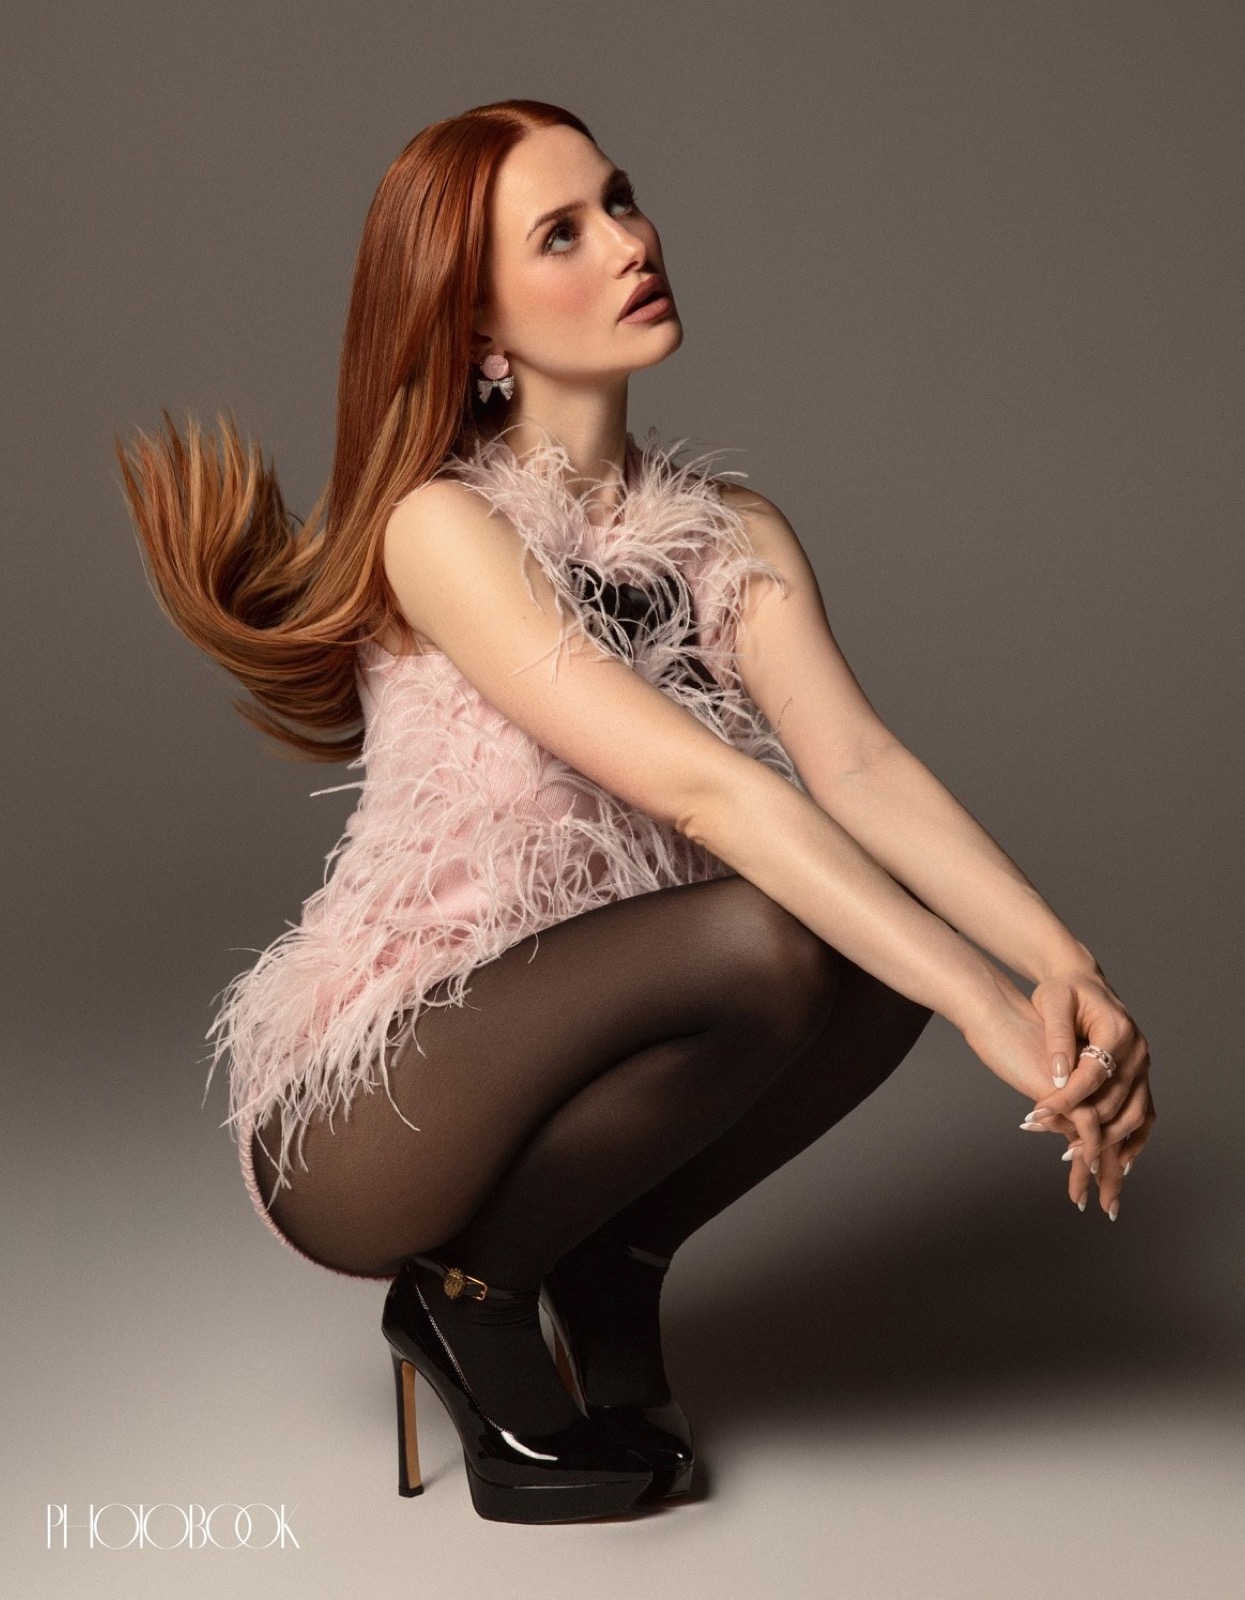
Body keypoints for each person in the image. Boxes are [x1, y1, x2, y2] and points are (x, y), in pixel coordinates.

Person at [115, 98, 1155, 1526]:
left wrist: (1063, 975)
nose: (628, 241)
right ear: (474, 323)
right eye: (560, 233)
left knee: (876, 945)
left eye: (618, 198)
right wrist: (987, 1008)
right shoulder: (442, 528)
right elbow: (703, 789)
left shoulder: (732, 533)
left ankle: (611, 1256)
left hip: (594, 1041)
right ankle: (466, 1297)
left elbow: (857, 767)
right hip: (382, 1106)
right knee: (780, 937)